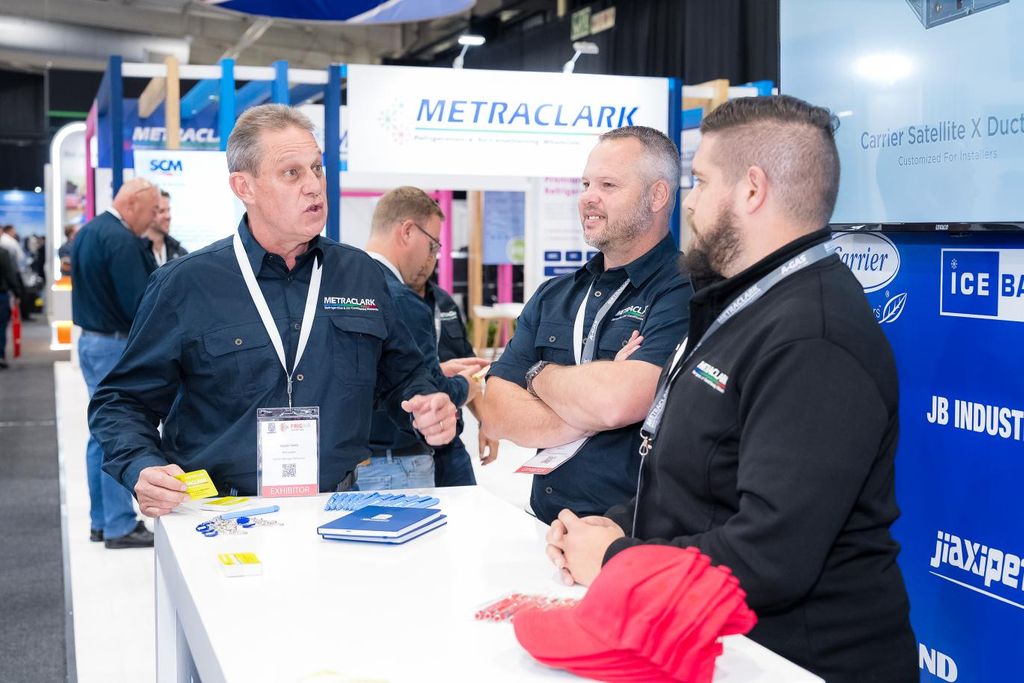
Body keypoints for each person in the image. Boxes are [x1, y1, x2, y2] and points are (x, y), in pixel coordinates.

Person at [545, 95, 917, 682]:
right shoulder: (748, 304)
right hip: (722, 644)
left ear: (751, 190)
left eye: (699, 181)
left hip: (798, 663)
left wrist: (617, 560)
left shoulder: (813, 337)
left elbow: (770, 555)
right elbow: (704, 480)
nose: (689, 202)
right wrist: (620, 524)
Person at [90, 104, 456, 519]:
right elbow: (122, 401)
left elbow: (404, 375)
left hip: (335, 509)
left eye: (316, 168)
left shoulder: (361, 275)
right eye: (292, 173)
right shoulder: (185, 285)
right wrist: (140, 465)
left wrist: (427, 403)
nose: (314, 186)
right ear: (244, 186)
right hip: (217, 515)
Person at [475, 126, 693, 524]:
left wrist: (537, 375)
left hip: (631, 533)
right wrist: (587, 408)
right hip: (543, 526)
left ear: (657, 195)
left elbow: (616, 403)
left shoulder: (684, 291)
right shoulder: (554, 295)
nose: (588, 197)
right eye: (586, 184)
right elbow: (495, 412)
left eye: (608, 185)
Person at [362, 187, 490, 489]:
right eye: (432, 245)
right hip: (399, 462)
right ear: (407, 231)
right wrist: (469, 385)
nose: (433, 257)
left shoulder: (344, 288)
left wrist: (436, 371)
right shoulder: (401, 299)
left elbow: (375, 376)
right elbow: (429, 399)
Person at [72, 177, 160, 548]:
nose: (153, 218)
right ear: (132, 203)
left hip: (92, 342)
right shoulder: (121, 241)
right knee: (119, 433)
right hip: (113, 345)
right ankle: (120, 525)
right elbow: (138, 304)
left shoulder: (90, 231)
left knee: (101, 434)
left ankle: (103, 521)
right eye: (152, 210)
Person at [411, 255, 501, 485]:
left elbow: (468, 367)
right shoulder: (387, 301)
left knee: (467, 506)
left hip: (451, 445)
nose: (425, 261)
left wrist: (486, 422)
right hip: (406, 449)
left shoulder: (443, 302)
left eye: (432, 251)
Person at [143, 189, 188, 267]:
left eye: (168, 210)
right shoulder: (136, 252)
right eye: (161, 211)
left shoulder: (181, 254)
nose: (168, 216)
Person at [0, 245, 22, 369]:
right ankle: (1, 355)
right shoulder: (3, 252)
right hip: (1, 294)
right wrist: (17, 292)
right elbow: (9, 273)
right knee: (1, 326)